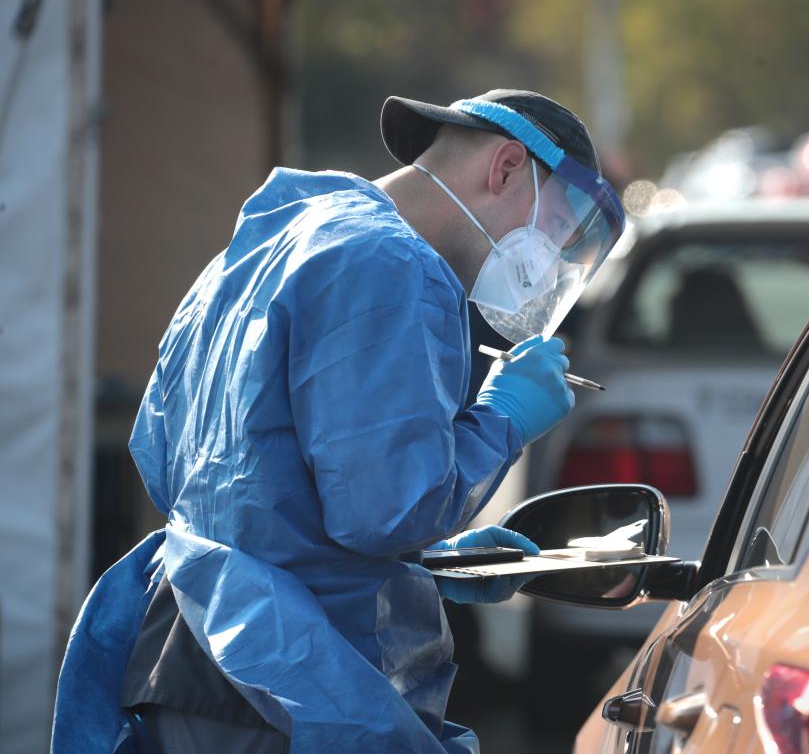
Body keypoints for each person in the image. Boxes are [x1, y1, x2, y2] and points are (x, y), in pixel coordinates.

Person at [51, 89, 627, 753]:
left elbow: (185, 463)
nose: (552, 262)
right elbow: (384, 510)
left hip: (191, 659)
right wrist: (502, 418)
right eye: (559, 228)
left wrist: (427, 564)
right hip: (285, 683)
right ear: (504, 167)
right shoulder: (396, 265)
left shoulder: (276, 239)